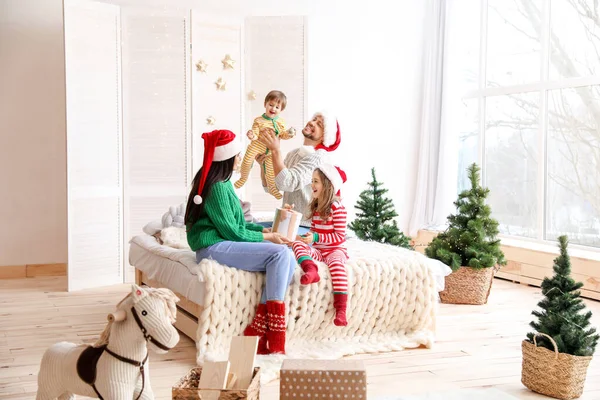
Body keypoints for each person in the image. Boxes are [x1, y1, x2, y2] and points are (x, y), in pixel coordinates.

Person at [185, 129, 294, 355]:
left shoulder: (222, 184)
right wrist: (268, 237)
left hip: (220, 242)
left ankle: (259, 329)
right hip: (212, 247)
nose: (240, 160)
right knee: (280, 253)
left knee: (286, 254)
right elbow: (233, 232)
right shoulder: (217, 187)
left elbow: (238, 224)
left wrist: (263, 230)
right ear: (226, 159)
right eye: (237, 156)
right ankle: (273, 331)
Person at [253, 110, 342, 233]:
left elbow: (287, 183)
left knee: (258, 240)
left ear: (324, 136)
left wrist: (276, 150)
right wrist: (264, 166)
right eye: (314, 119)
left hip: (308, 226)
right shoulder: (293, 154)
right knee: (249, 229)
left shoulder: (319, 158)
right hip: (287, 220)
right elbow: (272, 187)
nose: (312, 123)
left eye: (319, 124)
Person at [291, 164, 349, 326]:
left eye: (315, 181)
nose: (312, 185)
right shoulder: (317, 208)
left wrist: (315, 236)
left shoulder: (338, 208)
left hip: (335, 250)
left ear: (327, 185)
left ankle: (341, 310)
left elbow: (339, 237)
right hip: (319, 250)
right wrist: (303, 238)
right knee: (296, 245)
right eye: (312, 181)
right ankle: (311, 269)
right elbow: (314, 232)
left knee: (337, 267)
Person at [234, 90, 296, 199]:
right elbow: (256, 133)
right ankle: (243, 178)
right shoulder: (259, 120)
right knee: (247, 161)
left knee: (270, 172)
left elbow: (282, 134)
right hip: (256, 146)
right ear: (265, 104)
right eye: (271, 105)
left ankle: (272, 189)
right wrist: (252, 135)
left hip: (271, 151)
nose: (273, 109)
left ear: (281, 110)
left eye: (277, 107)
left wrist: (289, 134)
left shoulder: (281, 122)